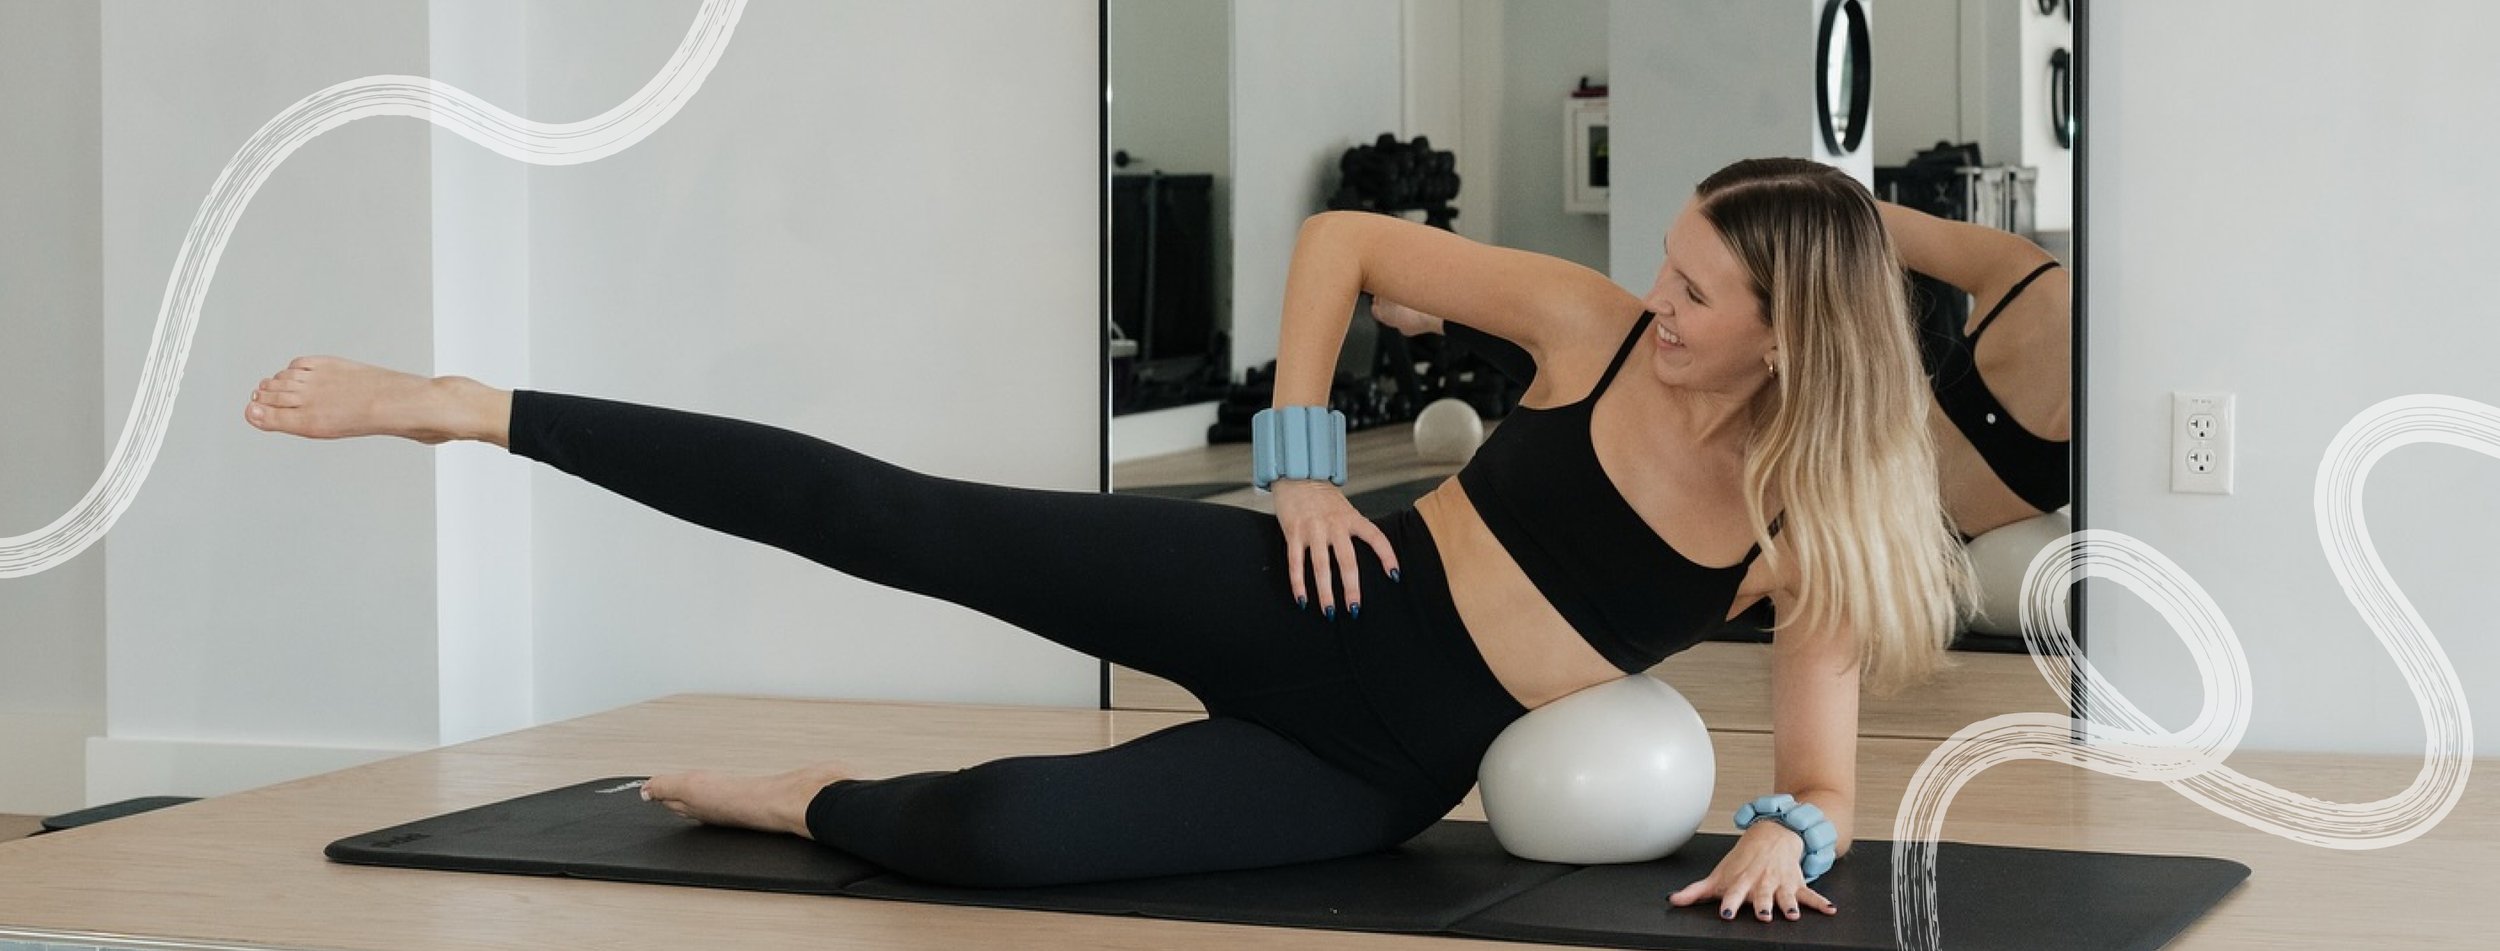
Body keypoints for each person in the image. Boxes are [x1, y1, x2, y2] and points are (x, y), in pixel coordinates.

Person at [241, 157, 1969, 924]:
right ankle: (475, 407)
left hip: (1368, 764)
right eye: (1667, 261)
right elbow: (1348, 240)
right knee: (890, 515)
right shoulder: (1592, 330)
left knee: (994, 836)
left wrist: (1787, 834)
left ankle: (799, 795)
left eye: (1696, 289)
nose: (1656, 296)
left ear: (1791, 335)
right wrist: (1301, 463)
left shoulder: (1805, 522)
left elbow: (1820, 766)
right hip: (1302, 585)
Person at [1374, 199, 2070, 539]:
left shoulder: (2112, 378)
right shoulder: (2026, 277)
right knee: (1641, 361)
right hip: (1817, 464)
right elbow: (1838, 214)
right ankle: (1446, 304)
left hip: (1840, 529)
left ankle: (1443, 309)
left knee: (1638, 385)